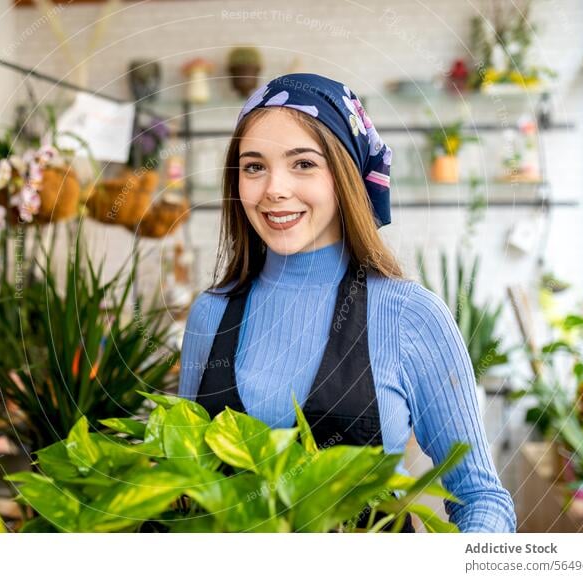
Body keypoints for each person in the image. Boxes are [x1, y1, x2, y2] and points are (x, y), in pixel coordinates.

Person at [178, 73, 516, 533]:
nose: (274, 188)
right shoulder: (211, 314)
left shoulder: (409, 314)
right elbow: (183, 481)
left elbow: (480, 496)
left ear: (346, 175)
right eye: (254, 166)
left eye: (303, 164)